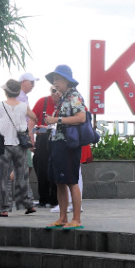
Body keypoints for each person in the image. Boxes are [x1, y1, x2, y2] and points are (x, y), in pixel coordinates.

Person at [43, 64, 87, 230]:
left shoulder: (74, 96)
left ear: (67, 81)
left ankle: (76, 219)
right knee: (59, 181)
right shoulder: (63, 98)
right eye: (54, 80)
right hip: (58, 142)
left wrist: (57, 120)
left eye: (58, 79)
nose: (55, 83)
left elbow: (81, 117)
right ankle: (62, 218)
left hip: (68, 144)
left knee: (71, 181)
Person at [0, 79, 37, 217]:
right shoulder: (23, 106)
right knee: (22, 176)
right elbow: (34, 116)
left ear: (5, 91)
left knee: (2, 178)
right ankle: (28, 204)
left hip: (2, 146)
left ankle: (4, 209)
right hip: (20, 145)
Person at [31, 85, 60, 208]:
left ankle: (55, 200)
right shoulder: (42, 101)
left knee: (55, 169)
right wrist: (31, 137)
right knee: (40, 167)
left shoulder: (66, 104)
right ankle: (43, 198)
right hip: (42, 139)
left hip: (58, 140)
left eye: (58, 91)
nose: (55, 94)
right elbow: (32, 118)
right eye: (53, 91)